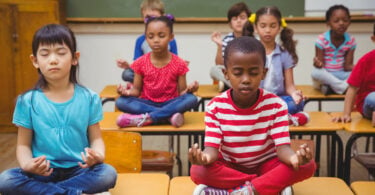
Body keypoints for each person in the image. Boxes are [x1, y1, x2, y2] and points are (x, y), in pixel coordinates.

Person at [189, 36, 316, 195]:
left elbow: (283, 149)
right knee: (197, 170)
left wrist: (295, 159)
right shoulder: (215, 106)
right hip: (231, 165)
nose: (246, 80)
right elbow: (212, 151)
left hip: (266, 164)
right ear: (226, 74)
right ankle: (265, 185)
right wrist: (203, 158)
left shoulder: (276, 105)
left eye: (254, 73)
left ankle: (243, 191)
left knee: (307, 165)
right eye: (238, 73)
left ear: (263, 73)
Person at [0, 24, 117, 194]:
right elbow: (23, 145)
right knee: (6, 180)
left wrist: (98, 155)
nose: (53, 59)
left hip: (79, 169)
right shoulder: (27, 101)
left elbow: (96, 138)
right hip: (42, 172)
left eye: (61, 53)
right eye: (45, 54)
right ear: (35, 61)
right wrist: (27, 164)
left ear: (75, 58)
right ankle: (72, 193)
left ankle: (49, 192)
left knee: (107, 174)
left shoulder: (89, 98)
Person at [115, 16, 199, 128]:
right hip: (147, 103)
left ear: (171, 37)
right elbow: (136, 91)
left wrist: (190, 89)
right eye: (151, 36)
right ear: (146, 38)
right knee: (121, 101)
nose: (156, 40)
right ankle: (168, 116)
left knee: (191, 99)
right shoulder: (140, 63)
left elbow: (181, 93)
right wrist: (126, 93)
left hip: (171, 102)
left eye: (161, 36)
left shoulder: (179, 63)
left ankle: (148, 118)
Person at [246, 6, 309, 126]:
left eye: (273, 26)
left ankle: (270, 118)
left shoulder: (285, 54)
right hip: (255, 100)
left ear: (279, 28)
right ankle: (287, 119)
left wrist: (295, 94)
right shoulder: (249, 53)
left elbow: (290, 86)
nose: (268, 30)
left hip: (278, 100)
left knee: (297, 103)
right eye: (263, 26)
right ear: (255, 28)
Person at [116, 0, 179, 84]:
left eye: (155, 18)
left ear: (163, 17)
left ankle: (152, 85)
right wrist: (128, 66)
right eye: (148, 18)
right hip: (146, 74)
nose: (151, 21)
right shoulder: (140, 40)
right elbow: (137, 64)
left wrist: (180, 65)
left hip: (164, 73)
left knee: (177, 74)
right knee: (127, 74)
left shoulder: (170, 40)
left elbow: (175, 62)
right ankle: (148, 86)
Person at [332, 23, 375, 127]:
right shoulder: (365, 61)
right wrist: (346, 114)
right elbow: (352, 89)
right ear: (373, 39)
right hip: (369, 103)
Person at [311, 5, 356, 95]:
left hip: (341, 75)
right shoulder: (321, 40)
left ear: (349, 22)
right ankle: (343, 88)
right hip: (326, 75)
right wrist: (317, 63)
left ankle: (331, 88)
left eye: (345, 20)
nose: (341, 23)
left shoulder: (351, 41)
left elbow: (347, 66)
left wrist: (359, 68)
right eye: (336, 21)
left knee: (358, 74)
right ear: (328, 23)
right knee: (316, 73)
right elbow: (320, 65)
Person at [210, 2, 251, 91]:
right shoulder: (227, 40)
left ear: (249, 20)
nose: (239, 21)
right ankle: (239, 88)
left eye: (242, 18)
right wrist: (220, 46)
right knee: (214, 69)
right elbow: (219, 65)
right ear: (230, 23)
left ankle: (229, 86)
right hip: (234, 73)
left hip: (249, 73)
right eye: (235, 18)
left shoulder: (254, 39)